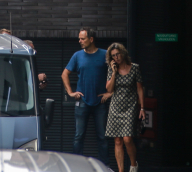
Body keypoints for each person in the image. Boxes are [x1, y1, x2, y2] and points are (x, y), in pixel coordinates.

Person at [61, 27, 112, 164]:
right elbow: (64, 74)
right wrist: (70, 92)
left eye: (82, 38)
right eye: (79, 38)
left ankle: (105, 166)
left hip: (100, 102)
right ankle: (77, 166)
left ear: (91, 39)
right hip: (82, 102)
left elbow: (117, 72)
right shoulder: (77, 55)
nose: (80, 41)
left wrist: (110, 92)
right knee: (79, 136)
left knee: (102, 137)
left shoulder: (105, 55)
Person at [105, 43, 144, 172]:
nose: (116, 57)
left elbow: (139, 89)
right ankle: (121, 170)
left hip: (130, 107)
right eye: (113, 56)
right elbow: (109, 89)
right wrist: (114, 73)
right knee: (117, 141)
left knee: (127, 139)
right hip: (115, 107)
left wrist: (142, 108)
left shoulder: (134, 68)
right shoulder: (111, 69)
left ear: (123, 53)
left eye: (118, 54)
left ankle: (133, 165)